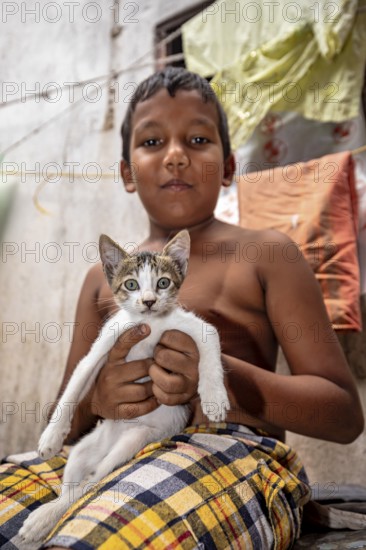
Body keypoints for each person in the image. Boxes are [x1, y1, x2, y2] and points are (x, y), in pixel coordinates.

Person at [0, 66, 363, 550]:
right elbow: (66, 413)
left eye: (197, 140)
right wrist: (98, 398)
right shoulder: (100, 280)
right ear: (127, 172)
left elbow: (342, 415)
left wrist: (218, 376)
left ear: (229, 166)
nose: (175, 157)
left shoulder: (268, 254)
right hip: (108, 444)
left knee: (97, 541)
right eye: (152, 143)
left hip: (229, 454)